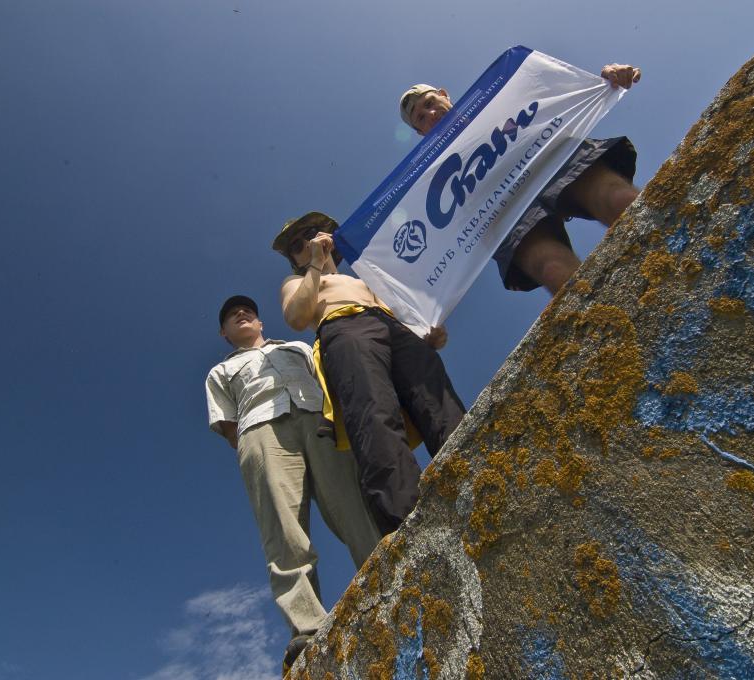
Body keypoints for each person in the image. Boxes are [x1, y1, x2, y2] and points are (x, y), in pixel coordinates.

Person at [204, 295, 381, 673]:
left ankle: (384, 573)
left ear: (261, 321)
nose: (241, 313)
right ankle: (307, 625)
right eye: (231, 315)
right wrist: (258, 444)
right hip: (260, 428)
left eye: (247, 310)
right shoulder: (219, 373)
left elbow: (327, 378)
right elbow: (227, 424)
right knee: (283, 529)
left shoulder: (298, 347)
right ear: (224, 333)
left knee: (352, 503)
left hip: (317, 417)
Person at [274, 212, 466, 536]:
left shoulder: (364, 279)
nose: (306, 242)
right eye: (297, 244)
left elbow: (401, 314)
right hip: (342, 327)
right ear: (294, 258)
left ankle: (471, 470)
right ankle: (407, 523)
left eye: (311, 233)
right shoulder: (296, 281)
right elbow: (296, 316)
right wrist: (315, 266)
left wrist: (426, 334)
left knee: (435, 398)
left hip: (389, 324)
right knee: (374, 414)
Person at [398, 63, 642, 294]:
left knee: (619, 199)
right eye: (420, 117)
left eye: (430, 102)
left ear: (444, 94)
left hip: (550, 157)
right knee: (552, 270)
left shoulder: (499, 97)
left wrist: (602, 79)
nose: (430, 114)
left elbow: (549, 89)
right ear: (421, 133)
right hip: (501, 208)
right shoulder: (434, 179)